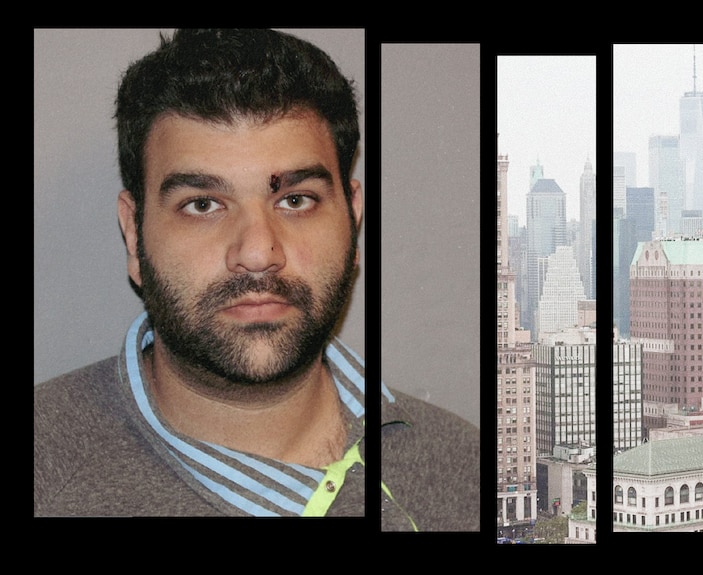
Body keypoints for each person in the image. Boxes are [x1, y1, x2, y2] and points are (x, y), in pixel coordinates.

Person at [33, 28, 480, 530]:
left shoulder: (470, 473)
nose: (257, 252)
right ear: (135, 238)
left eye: (295, 200)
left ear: (353, 221)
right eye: (202, 205)